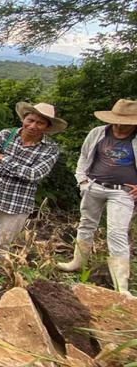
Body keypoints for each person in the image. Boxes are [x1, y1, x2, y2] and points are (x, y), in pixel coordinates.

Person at [58, 99, 137, 298]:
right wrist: (82, 181)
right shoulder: (99, 133)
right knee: (86, 224)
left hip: (123, 191)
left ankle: (121, 286)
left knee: (117, 232)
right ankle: (77, 263)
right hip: (94, 185)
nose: (120, 125)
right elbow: (84, 157)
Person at [0, 102, 66, 248]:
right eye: (30, 120)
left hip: (17, 204)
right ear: (23, 119)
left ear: (47, 127)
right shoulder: (6, 135)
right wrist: (21, 171)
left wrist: (3, 159)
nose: (33, 126)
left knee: (0, 246)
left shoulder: (50, 149)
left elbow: (34, 175)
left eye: (40, 123)